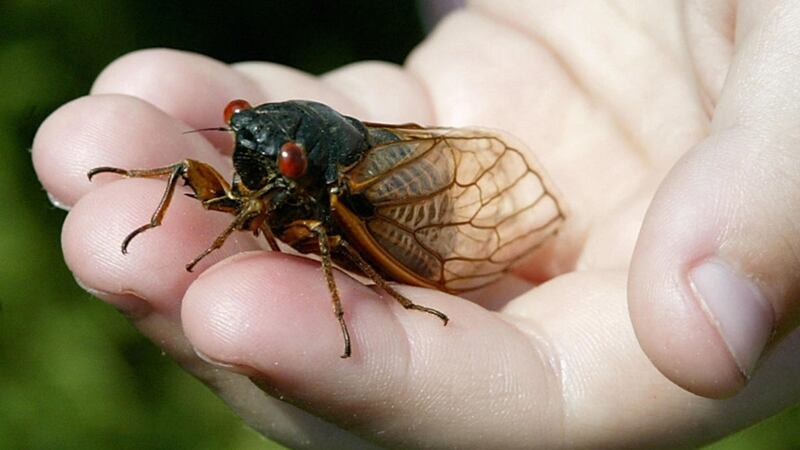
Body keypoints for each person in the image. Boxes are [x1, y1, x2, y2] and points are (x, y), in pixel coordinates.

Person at [31, 2, 800, 448]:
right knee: (174, 167)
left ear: (300, 164)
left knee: (328, 235)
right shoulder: (260, 155)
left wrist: (365, 291)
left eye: (282, 160)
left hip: (370, 197)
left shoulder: (318, 185)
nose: (245, 153)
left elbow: (311, 230)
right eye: (236, 126)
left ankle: (373, 294)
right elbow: (238, 188)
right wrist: (162, 190)